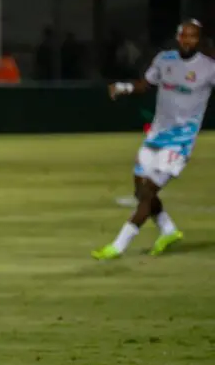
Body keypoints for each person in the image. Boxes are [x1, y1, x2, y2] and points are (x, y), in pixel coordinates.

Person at [92, 20, 215, 260]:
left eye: (193, 36)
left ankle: (118, 246)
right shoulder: (164, 60)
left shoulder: (208, 67)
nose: (188, 40)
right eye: (184, 36)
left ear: (199, 40)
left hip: (180, 142)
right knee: (140, 190)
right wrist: (124, 87)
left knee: (148, 191)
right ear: (178, 37)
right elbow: (145, 85)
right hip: (156, 136)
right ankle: (168, 230)